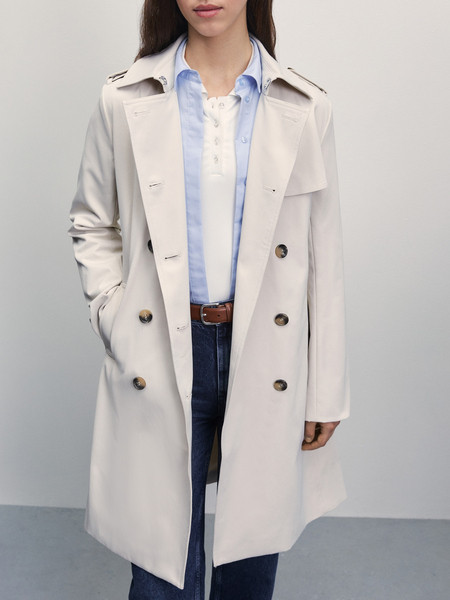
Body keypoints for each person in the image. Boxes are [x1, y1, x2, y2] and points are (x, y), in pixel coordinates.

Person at [68, 0, 350, 598]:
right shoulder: (124, 98)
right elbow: (92, 221)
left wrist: (326, 387)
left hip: (266, 353)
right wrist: (115, 315)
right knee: (161, 563)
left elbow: (322, 251)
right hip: (162, 347)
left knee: (250, 557)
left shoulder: (304, 105)